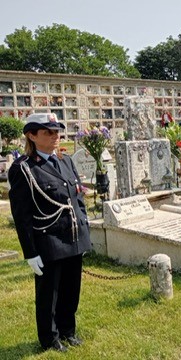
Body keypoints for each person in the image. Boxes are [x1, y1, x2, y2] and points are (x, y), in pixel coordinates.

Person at [8, 113, 92, 352]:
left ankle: (68, 331)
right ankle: (50, 338)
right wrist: (30, 252)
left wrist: (83, 232)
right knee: (49, 296)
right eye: (48, 132)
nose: (55, 136)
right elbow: (22, 215)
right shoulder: (24, 169)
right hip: (49, 241)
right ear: (32, 136)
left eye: (57, 131)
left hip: (72, 237)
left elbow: (77, 200)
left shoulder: (65, 162)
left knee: (71, 291)